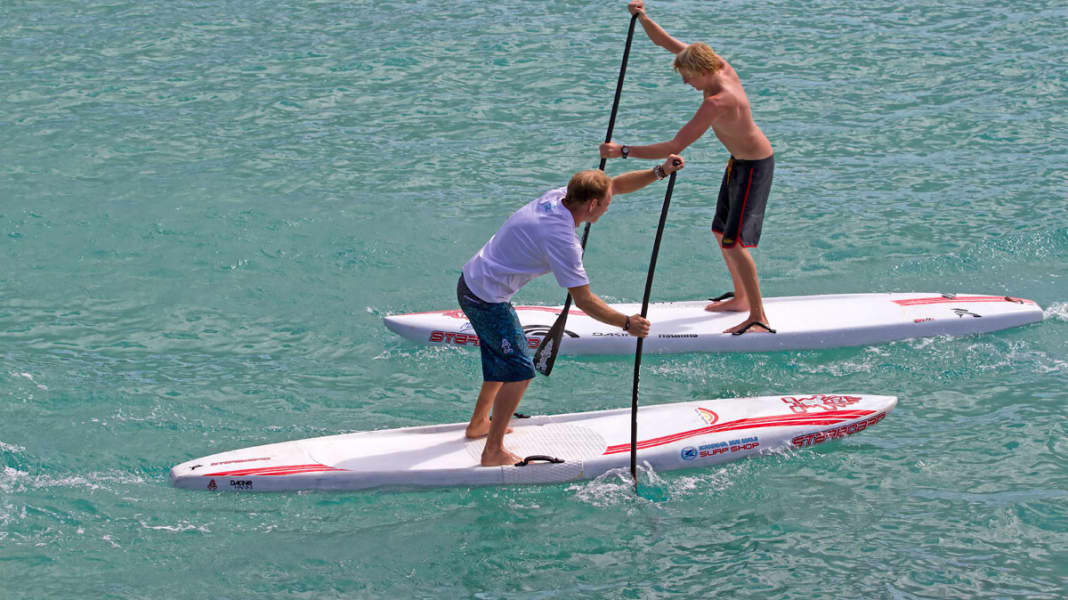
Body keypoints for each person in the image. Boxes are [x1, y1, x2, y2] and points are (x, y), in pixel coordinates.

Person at [459, 155, 685, 466]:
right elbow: (584, 300)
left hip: (473, 282)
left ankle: (479, 425)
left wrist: (659, 172)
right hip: (485, 298)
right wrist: (627, 323)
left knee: (503, 358)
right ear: (591, 205)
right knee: (520, 370)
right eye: (605, 204)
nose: (609, 206)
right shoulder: (561, 238)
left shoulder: (561, 195)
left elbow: (614, 185)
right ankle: (493, 451)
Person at [599, 0, 776, 336]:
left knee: (733, 242)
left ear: (705, 72)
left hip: (755, 166)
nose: (686, 84)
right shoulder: (714, 64)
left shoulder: (717, 101)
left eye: (688, 78)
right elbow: (665, 43)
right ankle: (740, 298)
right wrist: (643, 17)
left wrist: (622, 150)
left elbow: (673, 147)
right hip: (738, 162)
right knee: (719, 231)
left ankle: (758, 316)